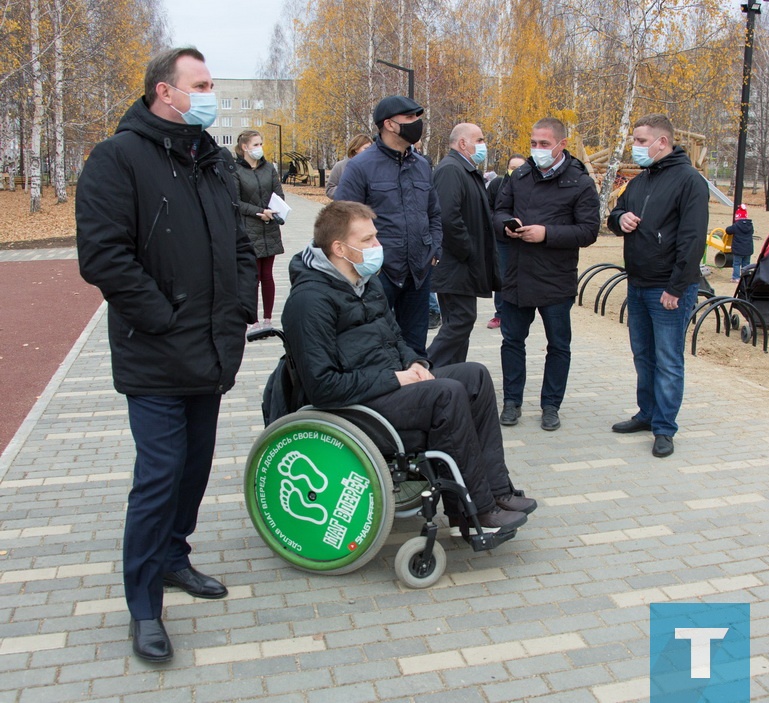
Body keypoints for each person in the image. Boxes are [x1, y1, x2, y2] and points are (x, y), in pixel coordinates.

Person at [75, 47, 258, 663]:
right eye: (202, 84)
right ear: (165, 92)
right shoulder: (116, 159)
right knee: (158, 477)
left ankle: (175, 557)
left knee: (194, 469)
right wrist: (161, 317)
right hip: (154, 355)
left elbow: (237, 243)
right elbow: (104, 257)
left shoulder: (211, 161)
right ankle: (144, 605)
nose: (210, 92)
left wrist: (233, 316)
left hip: (208, 351)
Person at [281, 200, 535, 536]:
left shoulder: (365, 283)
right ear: (339, 248)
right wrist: (398, 378)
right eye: (368, 240)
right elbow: (323, 386)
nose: (378, 247)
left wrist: (415, 362)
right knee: (446, 393)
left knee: (473, 375)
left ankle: (498, 491)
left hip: (387, 386)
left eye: (376, 237)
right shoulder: (309, 301)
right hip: (355, 406)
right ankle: (475, 511)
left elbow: (396, 339)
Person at [607, 113, 708, 458]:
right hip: (638, 284)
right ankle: (647, 414)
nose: (634, 147)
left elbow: (693, 240)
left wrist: (677, 288)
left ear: (661, 142)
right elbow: (613, 214)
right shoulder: (640, 181)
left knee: (667, 360)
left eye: (639, 141)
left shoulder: (689, 181)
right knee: (643, 355)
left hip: (668, 289)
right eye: (634, 140)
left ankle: (665, 428)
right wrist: (621, 218)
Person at [492, 118, 600, 431]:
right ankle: (512, 402)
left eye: (544, 144)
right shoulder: (520, 175)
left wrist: (547, 234)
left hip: (556, 278)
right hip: (517, 275)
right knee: (512, 342)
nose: (537, 149)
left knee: (558, 345)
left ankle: (551, 405)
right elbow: (498, 212)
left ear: (561, 145)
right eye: (534, 143)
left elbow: (589, 230)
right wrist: (506, 226)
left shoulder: (579, 182)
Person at [334, 95, 442, 356]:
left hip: (418, 273)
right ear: (390, 125)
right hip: (378, 275)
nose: (417, 123)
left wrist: (435, 250)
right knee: (374, 347)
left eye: (418, 117)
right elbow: (341, 218)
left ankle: (415, 394)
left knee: (415, 349)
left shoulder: (422, 165)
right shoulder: (361, 166)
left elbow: (434, 214)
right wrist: (364, 261)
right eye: (410, 118)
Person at [427, 123, 501, 367]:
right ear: (462, 143)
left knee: (459, 324)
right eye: (479, 140)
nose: (483, 145)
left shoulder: (464, 169)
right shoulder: (451, 169)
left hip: (462, 265)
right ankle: (424, 370)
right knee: (461, 320)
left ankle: (452, 379)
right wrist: (469, 251)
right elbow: (448, 217)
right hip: (456, 264)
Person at [234, 129, 284, 330]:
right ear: (244, 147)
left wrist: (274, 210)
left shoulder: (268, 168)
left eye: (260, 144)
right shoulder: (236, 170)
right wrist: (258, 212)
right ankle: (253, 320)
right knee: (252, 276)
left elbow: (278, 193)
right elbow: (236, 202)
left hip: (269, 227)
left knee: (268, 275)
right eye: (255, 144)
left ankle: (268, 319)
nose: (259, 148)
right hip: (249, 229)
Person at [485, 154, 526, 330]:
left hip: (525, 238)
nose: (515, 171)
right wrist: (502, 224)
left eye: (519, 168)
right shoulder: (498, 184)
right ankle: (500, 314)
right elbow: (489, 209)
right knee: (502, 276)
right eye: (512, 167)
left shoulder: (530, 186)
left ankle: (522, 311)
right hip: (502, 239)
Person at [325, 133, 373, 198]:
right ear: (356, 149)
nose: (369, 152)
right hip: (346, 206)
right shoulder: (340, 166)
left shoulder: (373, 167)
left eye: (371, 149)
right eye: (366, 148)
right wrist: (347, 190)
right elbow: (329, 189)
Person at [726, 204, 754, 282]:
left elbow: (728, 230)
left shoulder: (736, 226)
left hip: (738, 249)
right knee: (746, 264)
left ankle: (736, 277)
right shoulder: (750, 225)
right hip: (748, 248)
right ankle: (745, 277)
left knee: (736, 263)